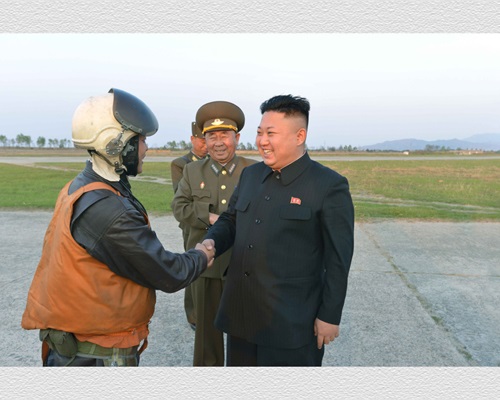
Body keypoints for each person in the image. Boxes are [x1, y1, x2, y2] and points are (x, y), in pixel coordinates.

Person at [21, 88, 214, 367]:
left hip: (81, 345)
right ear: (114, 143)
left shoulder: (82, 185)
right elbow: (168, 273)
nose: (146, 148)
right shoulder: (108, 209)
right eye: (141, 140)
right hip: (95, 354)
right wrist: (201, 256)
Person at [202, 94, 355, 366]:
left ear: (299, 136)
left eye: (271, 133)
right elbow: (231, 220)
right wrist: (211, 243)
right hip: (242, 315)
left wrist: (330, 315)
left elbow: (338, 260)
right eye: (260, 132)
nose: (262, 141)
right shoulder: (251, 175)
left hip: (291, 322)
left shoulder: (328, 185)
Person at [171, 101, 257, 366]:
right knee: (206, 335)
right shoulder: (191, 170)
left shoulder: (255, 171)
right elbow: (179, 207)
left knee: (244, 333)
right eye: (212, 136)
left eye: (224, 135)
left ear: (237, 138)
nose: (218, 143)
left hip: (243, 266)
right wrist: (211, 218)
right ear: (204, 140)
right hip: (206, 265)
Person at [170, 122, 208, 331]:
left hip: (213, 222)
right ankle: (194, 315)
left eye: (207, 140)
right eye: (202, 140)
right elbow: (182, 196)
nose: (206, 144)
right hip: (192, 223)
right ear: (193, 139)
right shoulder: (181, 164)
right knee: (194, 267)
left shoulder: (214, 163)